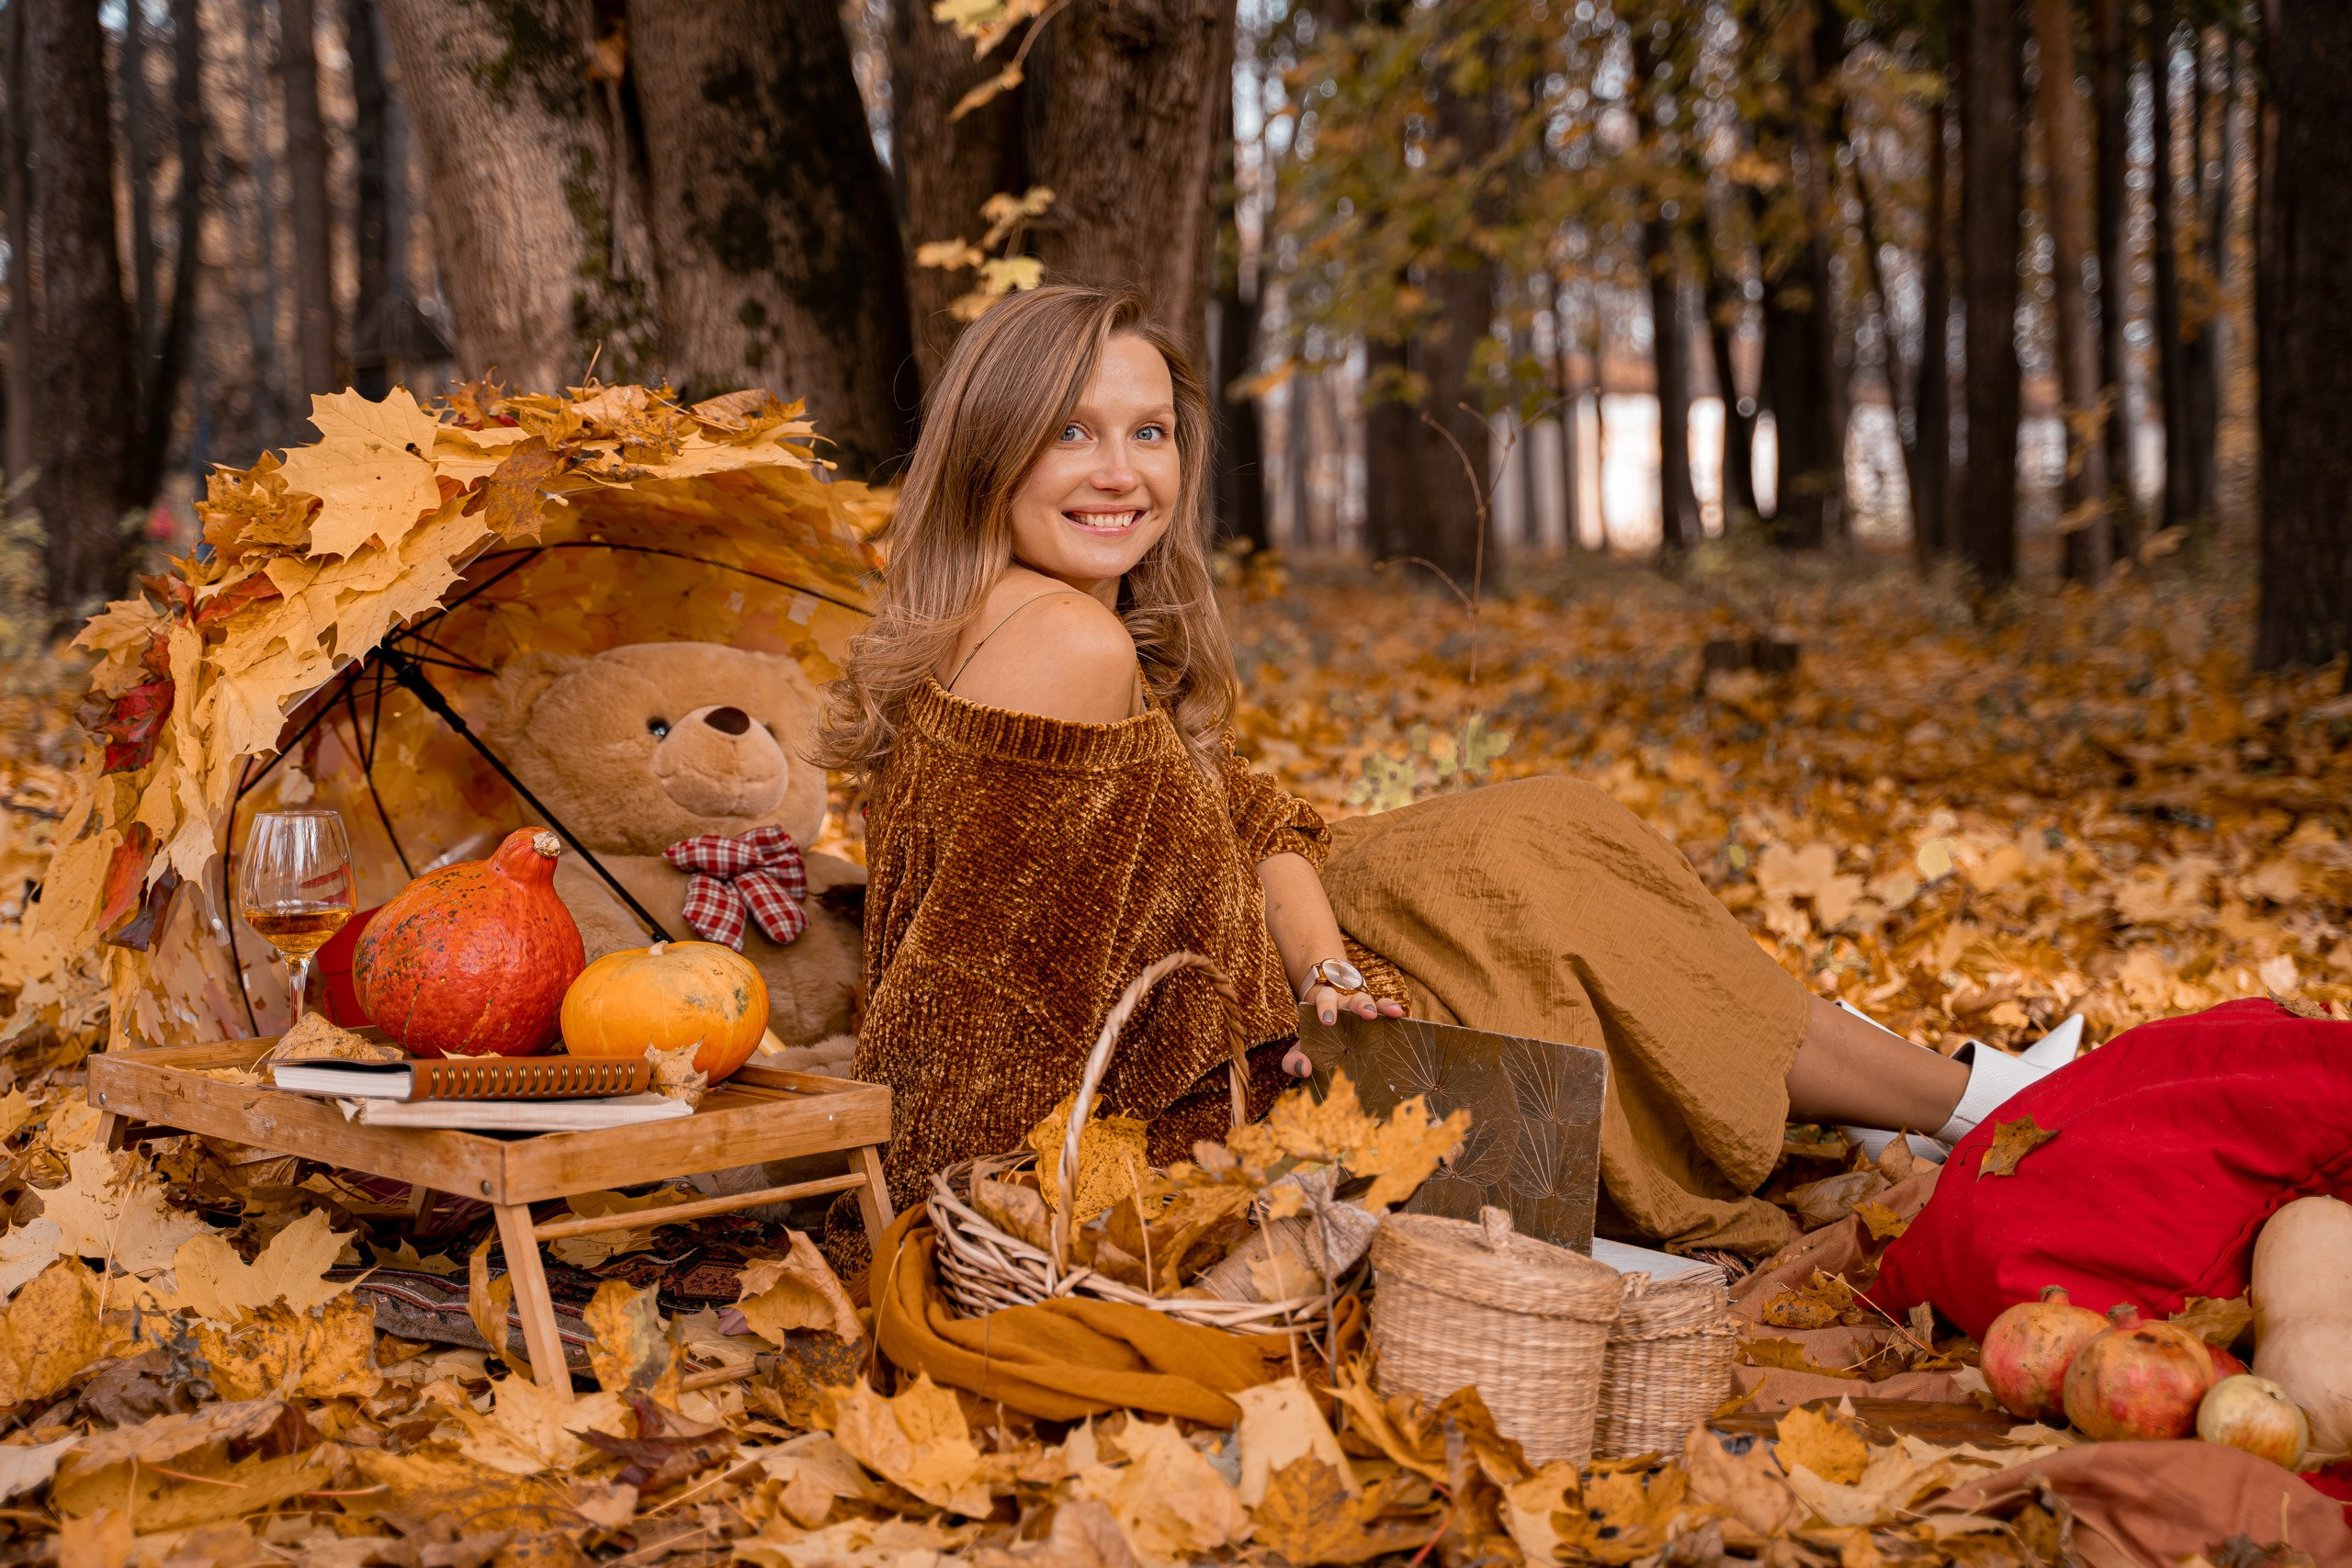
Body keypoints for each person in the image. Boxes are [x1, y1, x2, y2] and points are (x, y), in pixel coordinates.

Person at [815, 284, 2050, 1267]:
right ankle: (1974, 1100)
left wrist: (1323, 966)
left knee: (1536, 843)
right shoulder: (1064, 644)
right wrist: (992, 1215)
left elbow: (1242, 820)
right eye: (1071, 433)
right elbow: (973, 1011)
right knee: (1545, 892)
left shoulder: (1008, 613)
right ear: (991, 447)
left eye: (1148, 433)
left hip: (1292, 985)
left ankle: (1957, 1096)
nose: (1122, 473)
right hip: (1209, 1099)